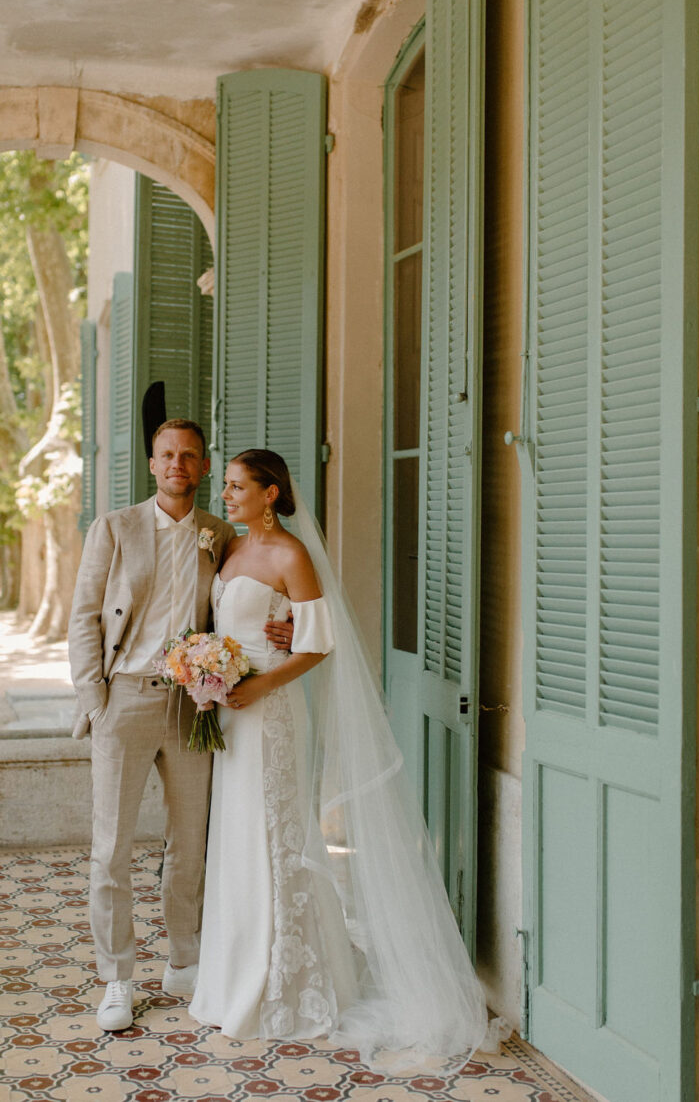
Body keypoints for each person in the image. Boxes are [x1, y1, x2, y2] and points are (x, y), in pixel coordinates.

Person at [189, 449, 491, 1070]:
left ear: (271, 494)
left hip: (269, 712)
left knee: (275, 834)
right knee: (237, 839)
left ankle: (284, 982)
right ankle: (233, 975)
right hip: (229, 709)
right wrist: (204, 670)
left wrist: (265, 682)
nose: (227, 495)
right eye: (226, 486)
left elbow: (318, 643)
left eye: (238, 486)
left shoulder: (291, 555)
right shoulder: (228, 549)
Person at [68, 420, 293, 1033]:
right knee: (111, 849)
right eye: (167, 454)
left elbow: (260, 591)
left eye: (189, 456)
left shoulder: (219, 535)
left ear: (202, 467)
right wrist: (96, 701)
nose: (177, 464)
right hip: (126, 702)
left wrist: (287, 626)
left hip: (196, 706)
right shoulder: (114, 528)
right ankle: (117, 978)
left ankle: (184, 961)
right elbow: (84, 615)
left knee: (189, 843)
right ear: (152, 464)